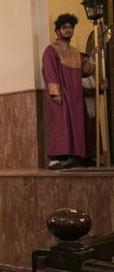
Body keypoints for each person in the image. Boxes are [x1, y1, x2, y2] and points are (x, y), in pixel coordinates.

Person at [42, 13, 94, 169]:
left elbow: (86, 71)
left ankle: (67, 158)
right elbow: (50, 72)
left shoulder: (76, 52)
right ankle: (55, 159)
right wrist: (55, 93)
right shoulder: (51, 50)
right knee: (60, 124)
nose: (68, 30)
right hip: (61, 94)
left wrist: (92, 58)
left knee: (74, 125)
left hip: (75, 96)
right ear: (58, 31)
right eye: (64, 27)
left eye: (70, 27)